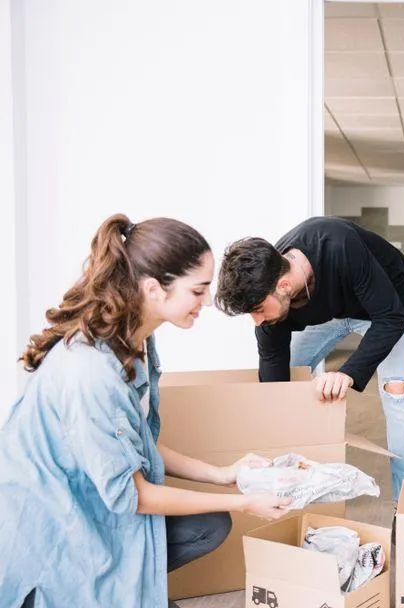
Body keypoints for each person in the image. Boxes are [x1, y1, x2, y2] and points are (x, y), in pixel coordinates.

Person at [0, 214, 289, 608]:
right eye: (198, 290)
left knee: (209, 523)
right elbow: (133, 496)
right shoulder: (89, 372)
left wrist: (224, 476)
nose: (206, 301)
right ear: (155, 289)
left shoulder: (137, 342)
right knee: (209, 517)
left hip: (98, 496)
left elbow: (139, 442)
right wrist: (243, 501)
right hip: (56, 521)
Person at [214, 216, 404, 515]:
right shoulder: (270, 290)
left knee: (397, 392)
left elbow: (391, 318)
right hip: (336, 306)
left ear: (284, 285)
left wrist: (348, 372)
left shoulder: (339, 245)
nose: (257, 321)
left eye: (258, 310)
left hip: (389, 303)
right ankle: (298, 484)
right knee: (290, 382)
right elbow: (274, 380)